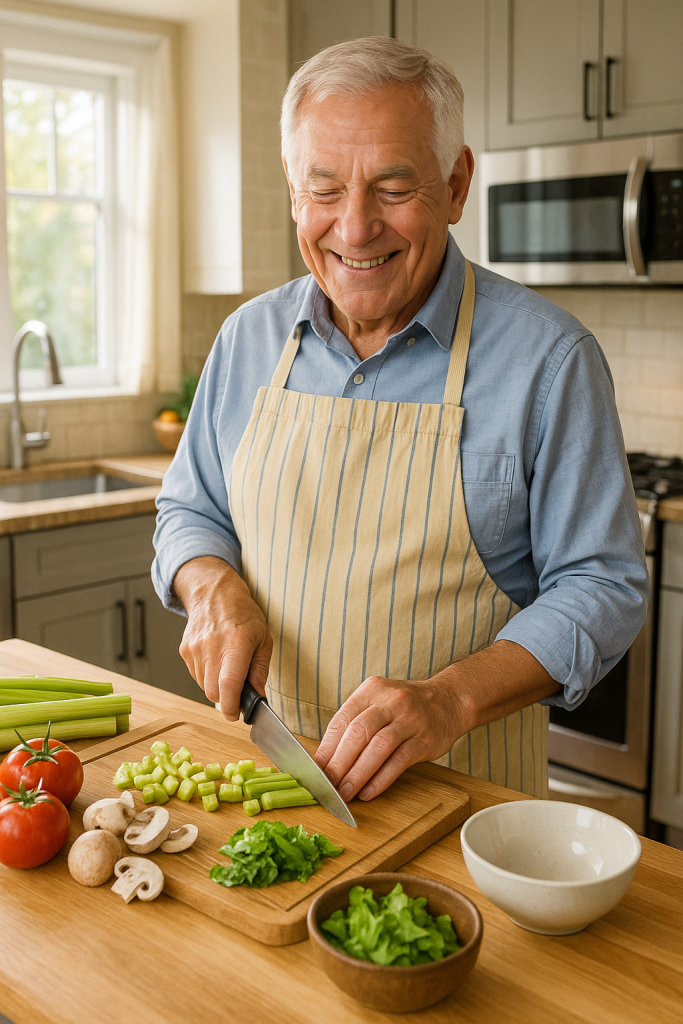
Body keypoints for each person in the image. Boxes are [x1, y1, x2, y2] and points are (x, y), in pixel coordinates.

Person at [152, 36, 648, 803]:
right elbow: (189, 507)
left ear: (455, 187)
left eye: (391, 188)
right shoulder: (247, 338)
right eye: (323, 190)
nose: (353, 229)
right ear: (291, 187)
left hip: (463, 808)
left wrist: (450, 699)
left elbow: (602, 586)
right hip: (267, 787)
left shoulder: (550, 360)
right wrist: (210, 583)